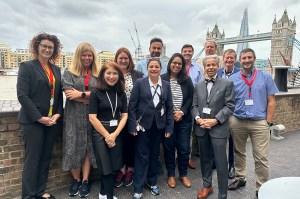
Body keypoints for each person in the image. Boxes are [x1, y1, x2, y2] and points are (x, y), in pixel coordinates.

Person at [17, 32, 63, 199]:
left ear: (54, 50)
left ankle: (39, 191)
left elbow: (58, 96)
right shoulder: (27, 66)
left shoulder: (56, 69)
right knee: (32, 160)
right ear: (37, 46)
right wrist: (39, 117)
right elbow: (22, 96)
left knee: (45, 158)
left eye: (50, 47)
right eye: (44, 46)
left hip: (52, 122)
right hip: (33, 122)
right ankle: (28, 195)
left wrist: (58, 114)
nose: (47, 49)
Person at [228, 48, 279, 197]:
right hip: (238, 120)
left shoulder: (266, 77)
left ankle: (261, 186)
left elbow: (271, 101)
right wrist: (231, 119)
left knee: (261, 157)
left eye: (249, 57)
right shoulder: (233, 79)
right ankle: (240, 178)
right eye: (244, 58)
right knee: (238, 152)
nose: (246, 60)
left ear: (254, 59)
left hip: (259, 122)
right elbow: (229, 101)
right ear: (240, 60)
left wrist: (268, 122)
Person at [128, 58, 174, 199]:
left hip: (159, 125)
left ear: (161, 69)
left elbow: (169, 108)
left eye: (156, 67)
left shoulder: (166, 85)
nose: (154, 69)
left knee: (154, 155)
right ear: (147, 69)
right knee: (142, 156)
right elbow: (132, 105)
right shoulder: (140, 83)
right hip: (142, 125)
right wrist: (132, 125)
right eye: (151, 67)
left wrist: (169, 128)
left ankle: (152, 182)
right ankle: (138, 187)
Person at [192, 55, 235, 199]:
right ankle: (207, 186)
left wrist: (215, 120)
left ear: (218, 66)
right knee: (204, 160)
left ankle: (222, 194)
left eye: (213, 65)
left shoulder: (227, 83)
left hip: (219, 128)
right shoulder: (198, 85)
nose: (210, 67)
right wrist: (198, 119)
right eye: (208, 65)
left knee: (221, 162)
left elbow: (230, 106)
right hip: (202, 128)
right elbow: (194, 106)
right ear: (204, 67)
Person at [62, 42, 99, 197]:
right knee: (72, 147)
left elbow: (100, 94)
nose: (87, 57)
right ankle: (75, 180)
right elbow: (69, 94)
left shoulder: (97, 74)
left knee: (87, 148)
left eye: (89, 55)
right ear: (78, 55)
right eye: (84, 54)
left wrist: (81, 95)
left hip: (91, 117)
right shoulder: (69, 72)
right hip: (72, 116)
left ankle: (85, 181)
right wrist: (91, 96)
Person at [89, 62, 128, 199]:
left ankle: (103, 193)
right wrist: (107, 136)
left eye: (115, 73)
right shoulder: (95, 92)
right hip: (100, 132)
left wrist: (115, 134)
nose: (112, 76)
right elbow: (92, 118)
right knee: (105, 168)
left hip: (116, 131)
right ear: (102, 75)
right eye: (108, 73)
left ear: (119, 75)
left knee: (114, 166)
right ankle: (109, 196)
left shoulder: (121, 93)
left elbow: (124, 116)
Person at [161, 53, 194, 188]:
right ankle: (171, 175)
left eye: (179, 63)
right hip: (168, 121)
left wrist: (182, 112)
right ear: (169, 64)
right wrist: (170, 115)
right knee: (169, 148)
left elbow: (191, 98)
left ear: (182, 66)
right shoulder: (162, 79)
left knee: (184, 148)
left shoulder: (187, 79)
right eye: (174, 62)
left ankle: (183, 174)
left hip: (184, 120)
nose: (176, 65)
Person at [113, 47, 142, 188]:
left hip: (132, 116)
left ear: (130, 60)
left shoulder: (138, 75)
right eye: (121, 58)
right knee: (119, 144)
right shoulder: (112, 74)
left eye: (126, 58)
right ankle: (121, 169)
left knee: (131, 143)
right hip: (116, 116)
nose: (123, 60)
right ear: (116, 60)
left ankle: (130, 169)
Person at [217, 49, 241, 179]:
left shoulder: (240, 73)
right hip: (219, 111)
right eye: (227, 58)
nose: (229, 60)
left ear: (235, 59)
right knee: (218, 139)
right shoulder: (218, 72)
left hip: (233, 112)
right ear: (223, 59)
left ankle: (232, 166)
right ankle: (217, 162)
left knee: (232, 141)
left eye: (232, 58)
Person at [181, 44, 203, 169]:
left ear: (193, 53)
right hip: (179, 102)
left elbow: (200, 86)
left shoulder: (198, 68)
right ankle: (176, 156)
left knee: (189, 132)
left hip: (193, 102)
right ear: (182, 52)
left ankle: (187, 157)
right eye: (185, 51)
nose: (187, 53)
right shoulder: (178, 66)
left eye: (189, 51)